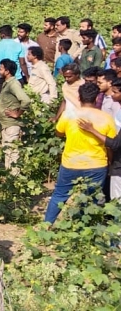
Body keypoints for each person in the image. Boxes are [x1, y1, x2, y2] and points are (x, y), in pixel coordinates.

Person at [44, 83, 116, 223]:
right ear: (96, 98)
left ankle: (46, 225)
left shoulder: (69, 115)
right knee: (91, 198)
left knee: (59, 195)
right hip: (96, 164)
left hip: (71, 162)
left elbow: (58, 133)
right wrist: (110, 163)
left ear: (79, 97)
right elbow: (110, 145)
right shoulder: (106, 118)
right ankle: (85, 227)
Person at [78, 78, 121, 199]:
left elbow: (115, 144)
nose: (112, 95)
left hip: (118, 165)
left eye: (115, 92)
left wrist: (92, 130)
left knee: (117, 201)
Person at [0, 59, 31, 172]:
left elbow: (26, 100)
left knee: (12, 151)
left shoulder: (13, 84)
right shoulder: (7, 83)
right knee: (8, 151)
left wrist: (17, 113)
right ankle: (9, 177)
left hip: (11, 124)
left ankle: (14, 178)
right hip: (6, 124)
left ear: (7, 71)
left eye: (1, 69)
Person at [0, 25, 29, 92]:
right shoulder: (19, 45)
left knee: (3, 99)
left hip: (1, 77)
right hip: (16, 77)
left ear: (2, 35)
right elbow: (22, 63)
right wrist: (27, 76)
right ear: (11, 33)